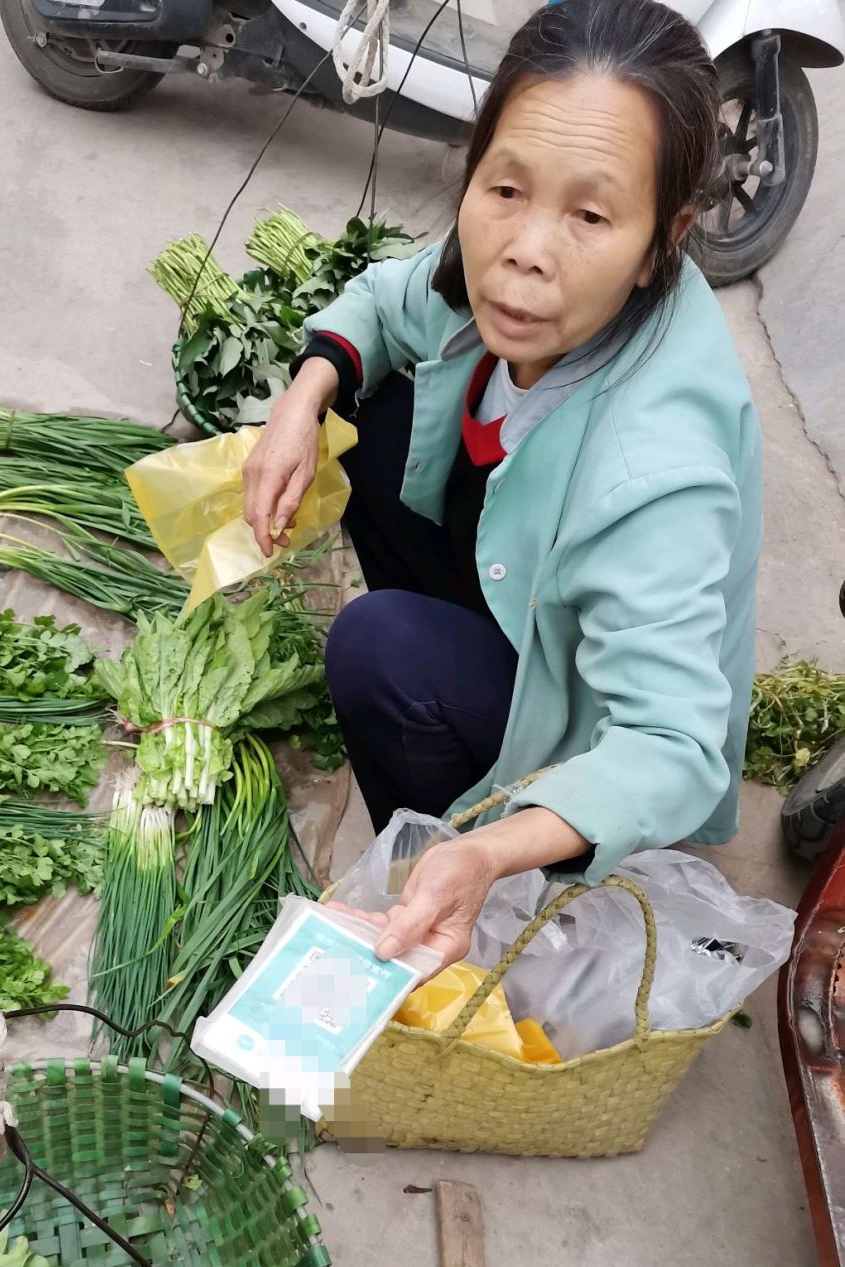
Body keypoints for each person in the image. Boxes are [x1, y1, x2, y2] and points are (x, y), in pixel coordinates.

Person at [242, 0, 759, 968]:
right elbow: (388, 302)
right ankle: (451, 717)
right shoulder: (493, 284)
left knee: (374, 649)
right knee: (378, 409)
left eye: (591, 215)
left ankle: (457, 865)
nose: (526, 247)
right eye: (507, 188)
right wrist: (300, 401)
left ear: (663, 241)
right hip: (527, 588)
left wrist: (489, 846)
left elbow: (673, 742)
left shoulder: (660, 466)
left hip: (596, 728)